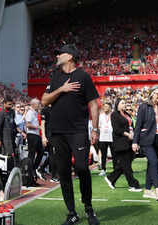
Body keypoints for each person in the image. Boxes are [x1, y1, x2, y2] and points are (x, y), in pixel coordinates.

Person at [41, 44, 100, 225]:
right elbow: (44, 100)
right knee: (64, 173)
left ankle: (89, 208)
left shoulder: (83, 76)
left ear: (70, 57)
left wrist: (95, 129)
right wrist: (61, 89)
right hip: (58, 132)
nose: (57, 55)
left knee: (82, 168)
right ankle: (72, 212)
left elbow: (94, 104)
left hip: (78, 131)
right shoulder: (56, 76)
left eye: (61, 53)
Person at [133, 87, 158, 200]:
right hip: (146, 140)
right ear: (151, 94)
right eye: (157, 93)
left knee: (151, 164)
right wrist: (135, 142)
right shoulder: (144, 107)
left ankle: (148, 190)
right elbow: (138, 125)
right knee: (154, 162)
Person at [104, 98, 141, 192]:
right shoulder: (114, 115)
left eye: (125, 103)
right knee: (127, 166)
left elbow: (131, 126)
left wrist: (134, 136)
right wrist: (128, 134)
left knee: (124, 164)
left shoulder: (127, 114)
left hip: (129, 142)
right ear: (117, 105)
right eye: (122, 103)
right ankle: (133, 184)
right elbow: (117, 129)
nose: (125, 105)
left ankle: (110, 178)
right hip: (120, 143)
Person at [25, 98, 45, 180]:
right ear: (33, 104)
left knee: (41, 151)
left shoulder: (34, 112)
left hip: (36, 135)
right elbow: (28, 125)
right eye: (38, 104)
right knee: (32, 154)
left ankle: (33, 168)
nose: (39, 105)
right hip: (32, 135)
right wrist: (38, 127)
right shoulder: (30, 113)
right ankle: (30, 171)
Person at [41, 104, 59, 183]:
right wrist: (44, 136)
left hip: (57, 134)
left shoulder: (57, 108)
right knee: (52, 155)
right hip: (50, 135)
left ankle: (42, 168)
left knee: (56, 155)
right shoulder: (45, 110)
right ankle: (54, 176)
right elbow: (43, 124)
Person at [98, 102, 114, 176]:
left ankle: (116, 169)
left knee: (114, 154)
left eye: (107, 107)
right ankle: (103, 169)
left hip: (111, 137)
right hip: (103, 138)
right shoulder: (101, 116)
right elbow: (99, 126)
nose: (105, 108)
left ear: (110, 108)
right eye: (104, 107)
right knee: (103, 155)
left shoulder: (113, 115)